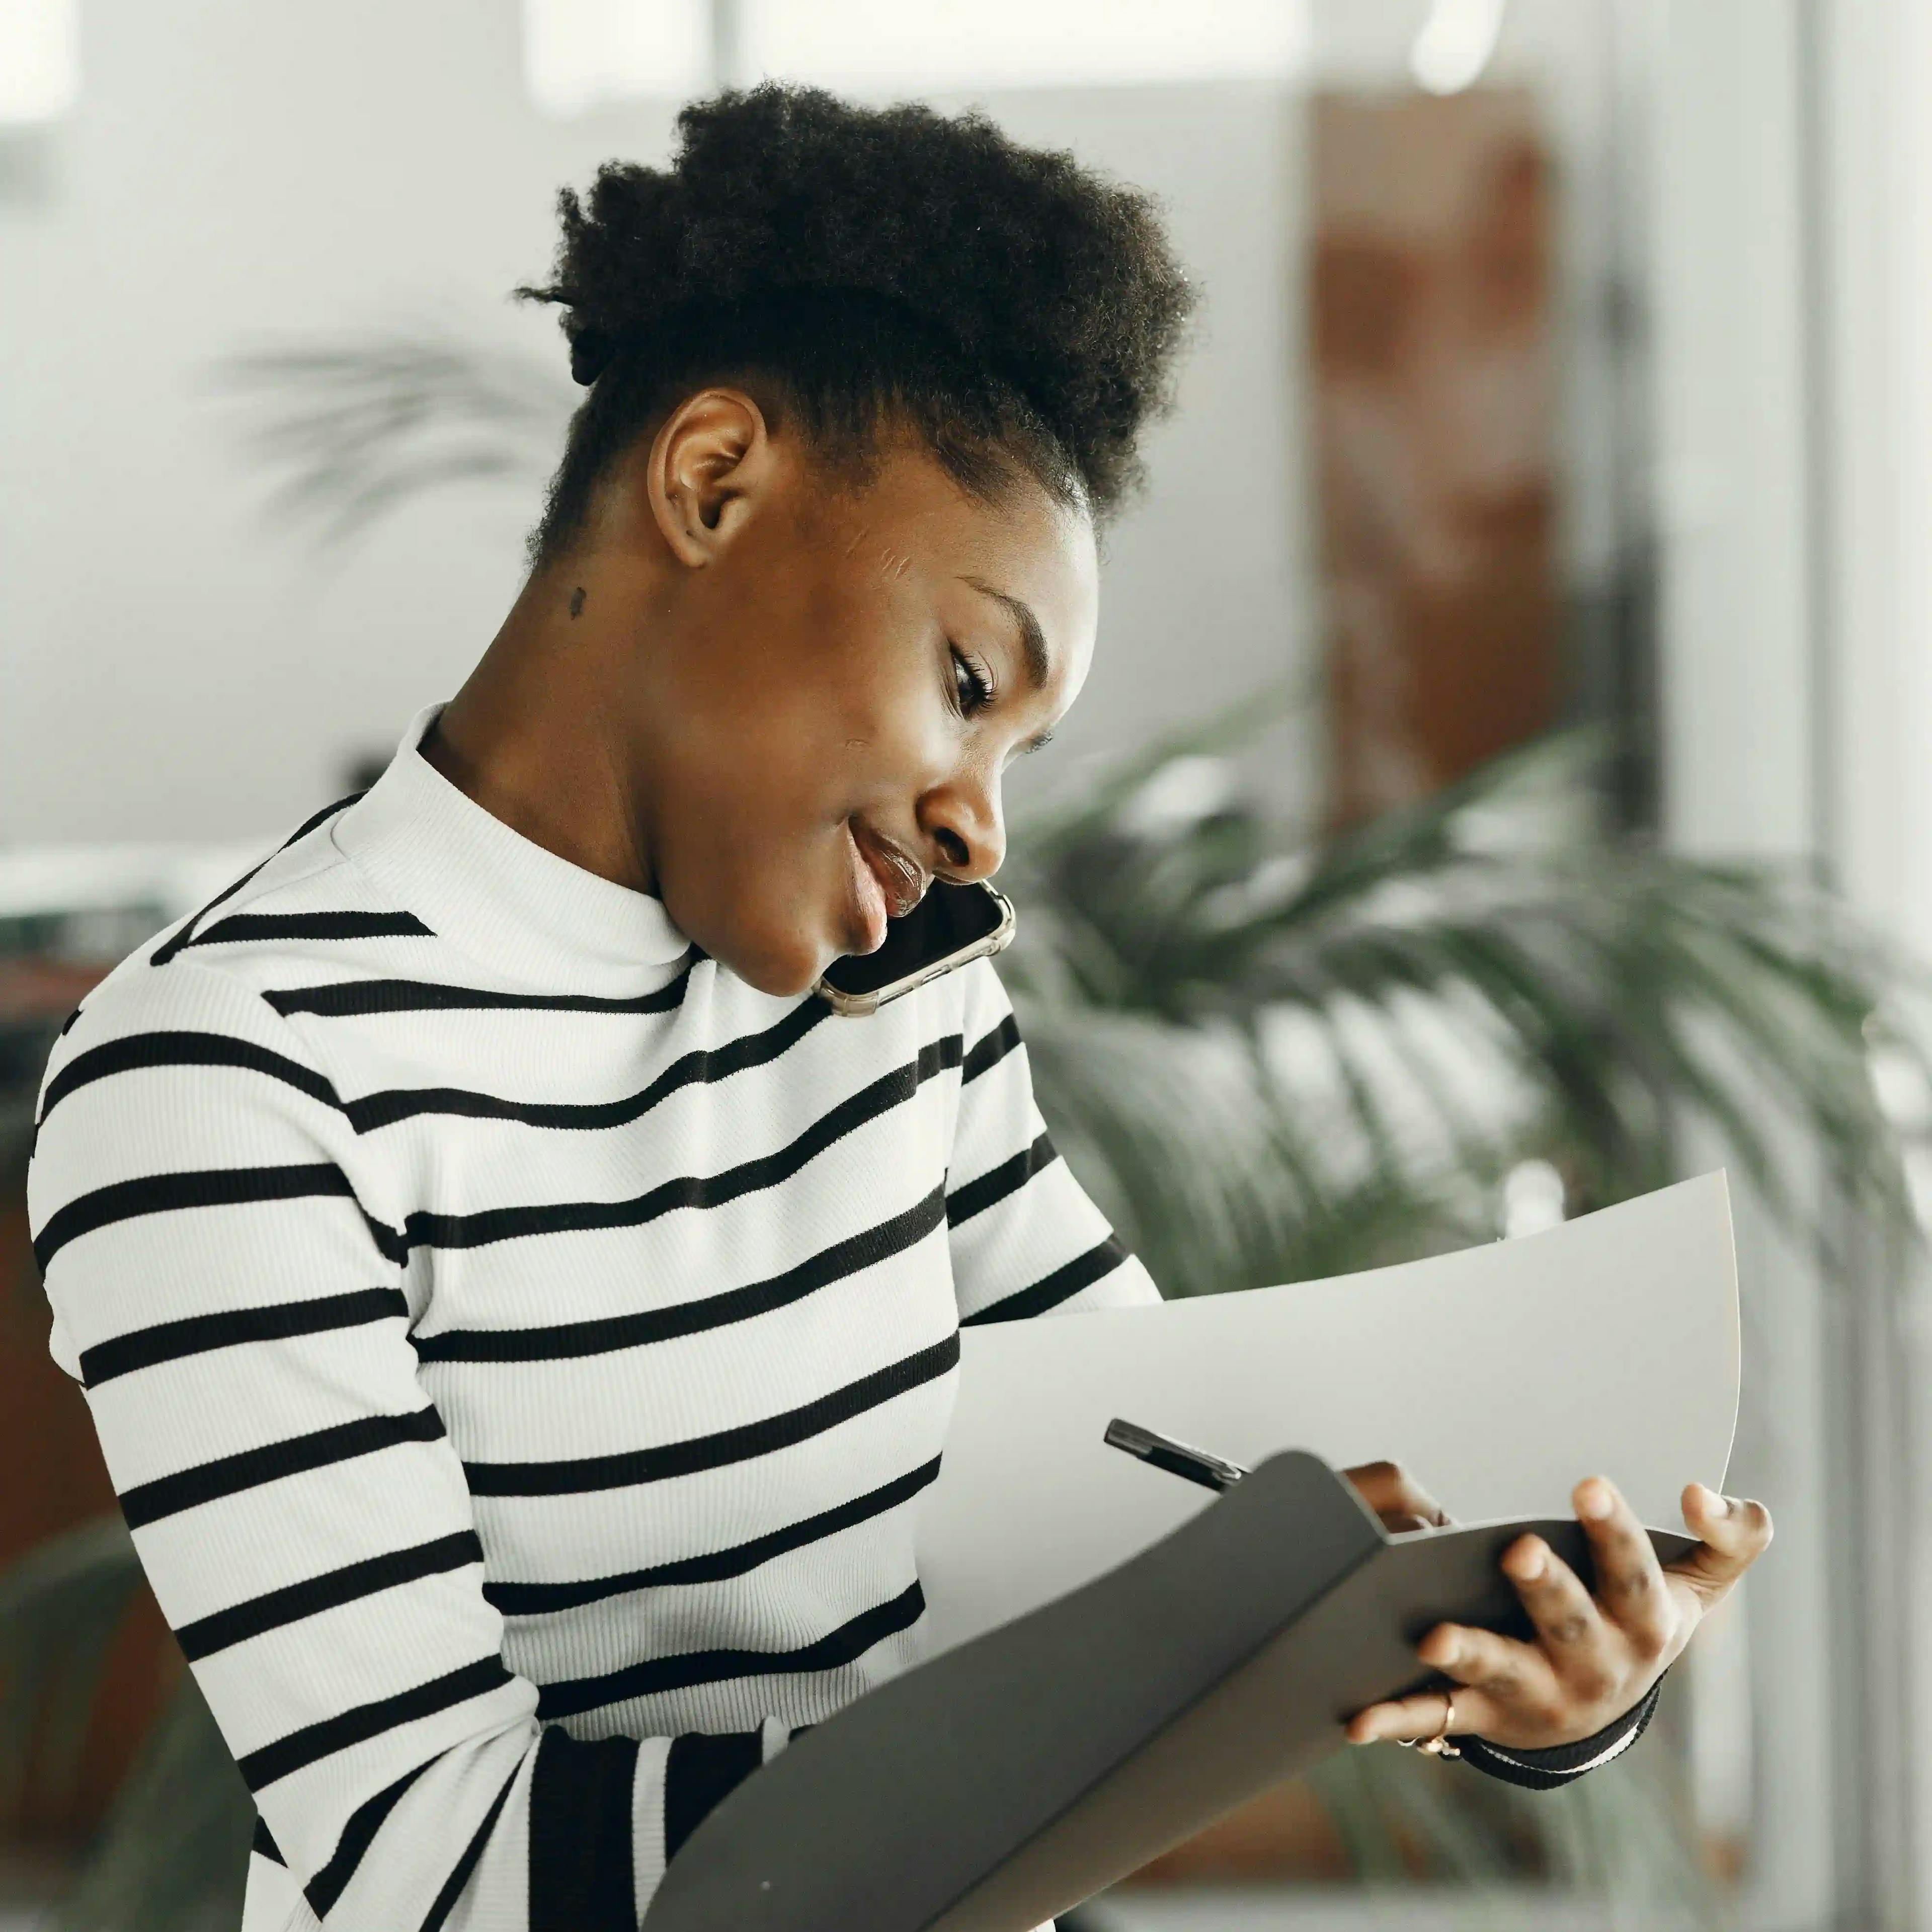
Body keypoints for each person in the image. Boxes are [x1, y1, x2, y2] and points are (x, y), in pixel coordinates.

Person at [26, 84, 1769, 1932]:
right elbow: (438, 1866)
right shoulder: (222, 1079)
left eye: (1020, 748)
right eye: (966, 678)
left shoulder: (894, 1016)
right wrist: (1110, 1694)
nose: (979, 823)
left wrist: (1538, 1675)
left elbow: (1195, 1525)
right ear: (712, 480)